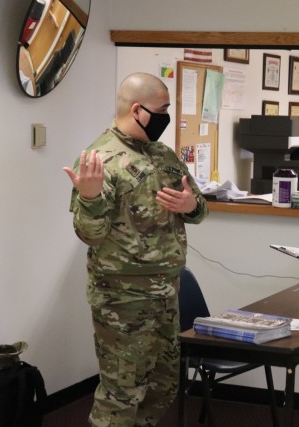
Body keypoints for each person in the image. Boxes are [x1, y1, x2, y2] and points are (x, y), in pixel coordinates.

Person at [62, 72, 208, 427]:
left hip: (165, 292)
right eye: (163, 109)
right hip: (122, 299)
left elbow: (199, 209)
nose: (167, 117)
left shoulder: (163, 154)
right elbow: (89, 233)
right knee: (122, 394)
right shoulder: (101, 159)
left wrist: (190, 205)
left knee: (163, 386)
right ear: (138, 110)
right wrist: (90, 196)